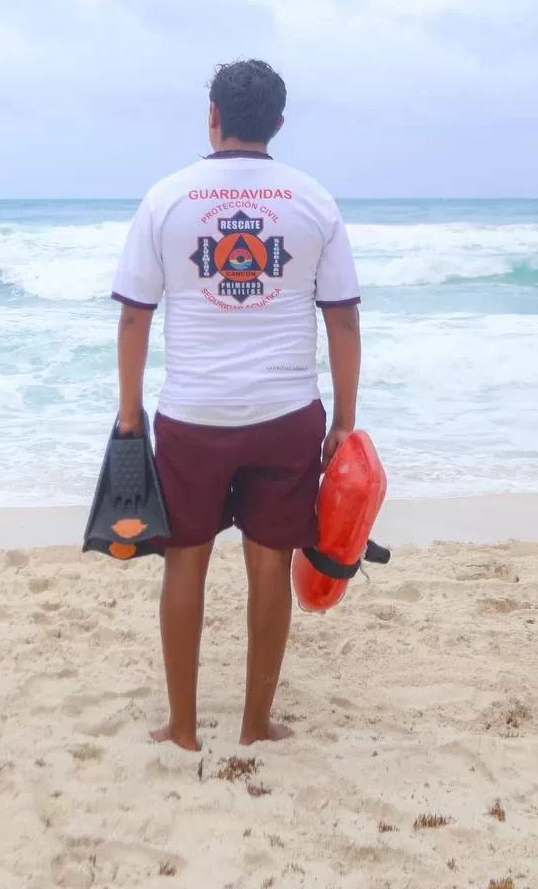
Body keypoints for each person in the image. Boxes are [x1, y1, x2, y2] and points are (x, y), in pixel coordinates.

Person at [111, 59, 362, 751]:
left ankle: (183, 728)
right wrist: (344, 421)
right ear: (278, 124)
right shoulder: (312, 199)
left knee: (184, 561)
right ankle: (256, 725)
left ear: (212, 117)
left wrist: (130, 414)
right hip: (286, 414)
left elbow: (134, 317)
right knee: (269, 564)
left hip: (193, 414)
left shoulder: (167, 198)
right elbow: (343, 319)